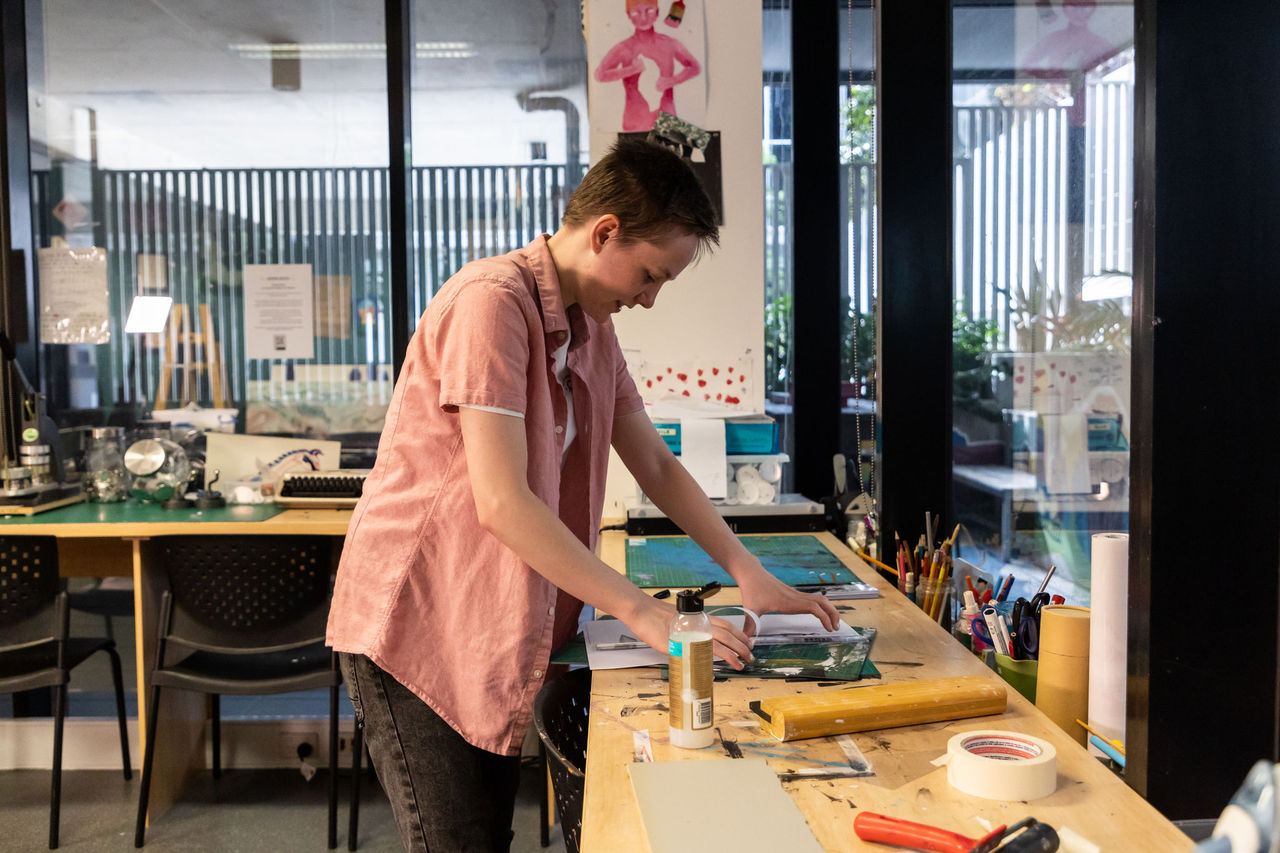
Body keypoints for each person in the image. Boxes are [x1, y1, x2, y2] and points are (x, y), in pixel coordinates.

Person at [326, 138, 839, 852]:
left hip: (483, 618)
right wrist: (643, 612)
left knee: (484, 833)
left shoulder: (592, 329)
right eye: (650, 275)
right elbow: (502, 502)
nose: (648, 299)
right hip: (418, 620)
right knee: (456, 840)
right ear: (604, 232)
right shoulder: (491, 304)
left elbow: (655, 463)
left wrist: (746, 570)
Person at [593, 0, 702, 132]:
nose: (643, 18)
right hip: (635, 122)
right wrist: (631, 70)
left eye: (649, 11)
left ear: (657, 13)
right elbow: (599, 75)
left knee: (700, 139)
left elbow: (695, 67)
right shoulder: (624, 48)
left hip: (667, 121)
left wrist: (672, 80)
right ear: (628, 15)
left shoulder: (669, 43)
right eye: (636, 12)